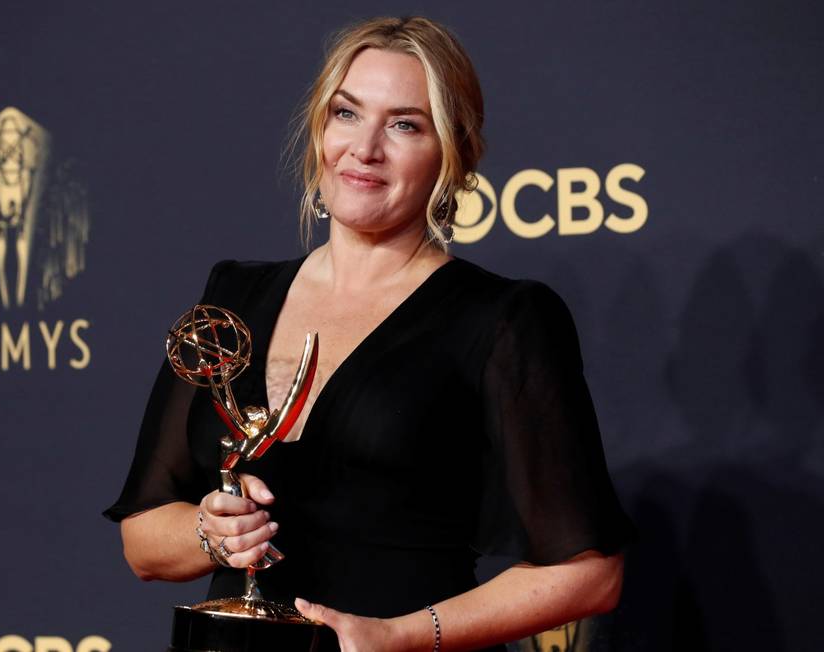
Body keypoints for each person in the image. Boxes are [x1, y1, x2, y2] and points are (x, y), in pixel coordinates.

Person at [105, 16, 635, 652]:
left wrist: (400, 637)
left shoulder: (502, 319)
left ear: (453, 151)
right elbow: (143, 540)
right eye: (347, 113)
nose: (365, 148)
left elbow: (590, 575)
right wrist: (211, 533)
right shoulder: (234, 298)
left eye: (405, 124)